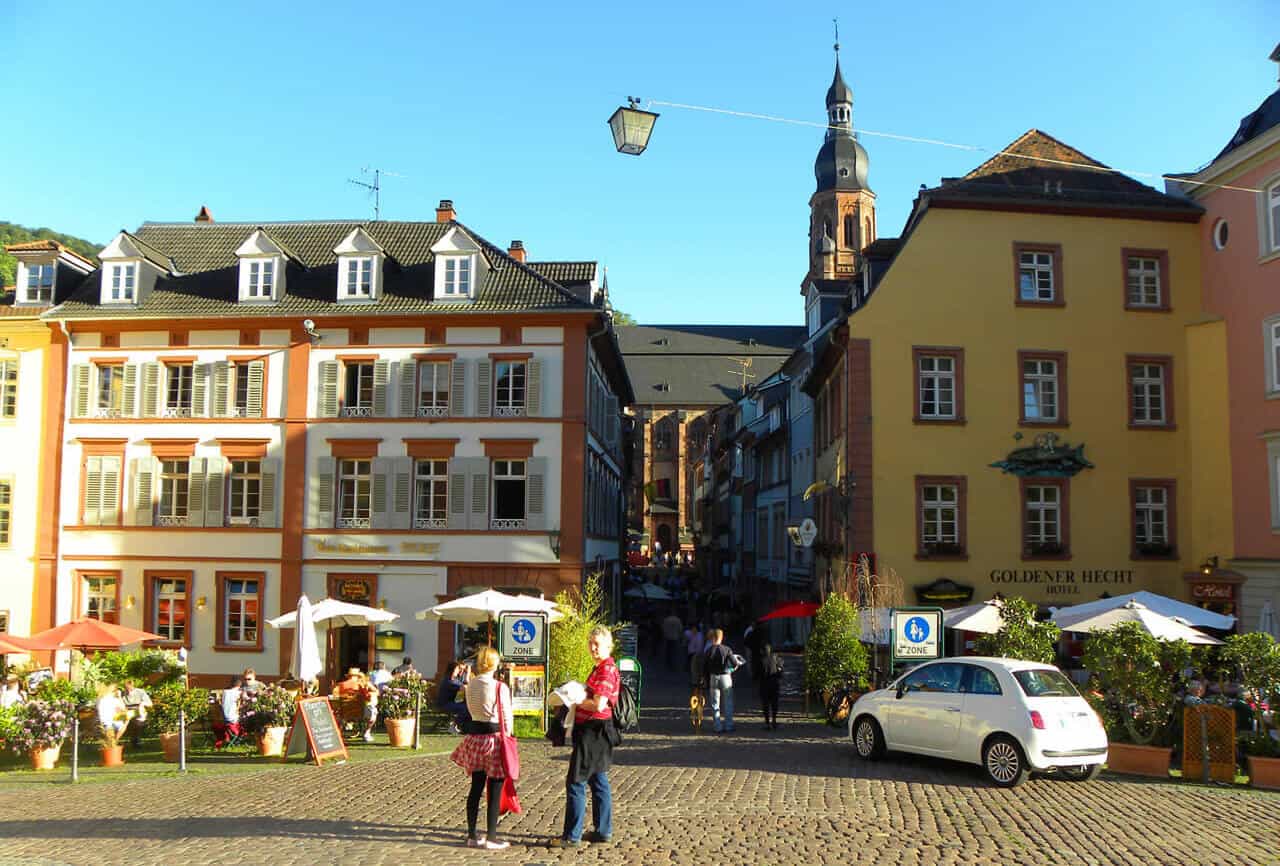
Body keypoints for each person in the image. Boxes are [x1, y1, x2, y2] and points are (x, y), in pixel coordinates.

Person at [551, 625, 620, 849]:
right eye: (590, 643)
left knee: (576, 782)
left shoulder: (606, 670)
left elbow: (598, 703)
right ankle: (603, 831)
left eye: (597, 644)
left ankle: (571, 836)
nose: (592, 648)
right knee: (598, 780)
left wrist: (572, 699)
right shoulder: (600, 668)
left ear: (608, 646)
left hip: (594, 731)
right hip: (597, 731)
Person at [449, 646, 514, 851]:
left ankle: (471, 834)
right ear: (494, 664)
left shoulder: (470, 685)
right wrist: (510, 736)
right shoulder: (499, 687)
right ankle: (492, 836)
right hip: (494, 738)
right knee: (494, 789)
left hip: (475, 738)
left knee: (476, 788)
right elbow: (507, 717)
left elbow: (470, 709)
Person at [704, 628, 739, 733]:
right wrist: (733, 669)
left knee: (715, 703)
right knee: (728, 702)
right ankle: (728, 725)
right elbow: (734, 663)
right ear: (721, 637)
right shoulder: (727, 649)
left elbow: (704, 667)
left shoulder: (709, 650)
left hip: (713, 677)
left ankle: (717, 726)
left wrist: (705, 679)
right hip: (725, 677)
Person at [436, 660, 472, 734]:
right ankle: (453, 726)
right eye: (457, 669)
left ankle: (465, 726)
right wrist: (467, 674)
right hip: (445, 704)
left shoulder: (453, 679)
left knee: (468, 705)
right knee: (465, 708)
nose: (459, 671)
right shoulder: (449, 681)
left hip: (451, 702)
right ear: (452, 670)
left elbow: (463, 685)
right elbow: (465, 687)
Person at [759, 643, 784, 730]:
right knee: (774, 703)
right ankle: (774, 720)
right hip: (775, 684)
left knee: (765, 704)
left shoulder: (760, 660)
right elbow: (781, 670)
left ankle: (767, 723)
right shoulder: (776, 658)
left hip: (764, 684)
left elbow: (756, 674)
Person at [122, 679, 153, 748]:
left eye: (130, 689)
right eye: (126, 690)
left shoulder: (140, 692)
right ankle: (134, 740)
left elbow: (150, 704)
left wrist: (142, 704)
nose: (128, 692)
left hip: (139, 712)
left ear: (133, 687)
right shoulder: (122, 694)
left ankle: (135, 740)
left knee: (137, 723)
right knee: (125, 721)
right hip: (127, 712)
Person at [215, 676, 244, 748]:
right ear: (239, 685)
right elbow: (245, 698)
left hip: (224, 719)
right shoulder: (237, 693)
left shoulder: (225, 692)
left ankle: (232, 739)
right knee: (246, 719)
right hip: (233, 719)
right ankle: (239, 739)